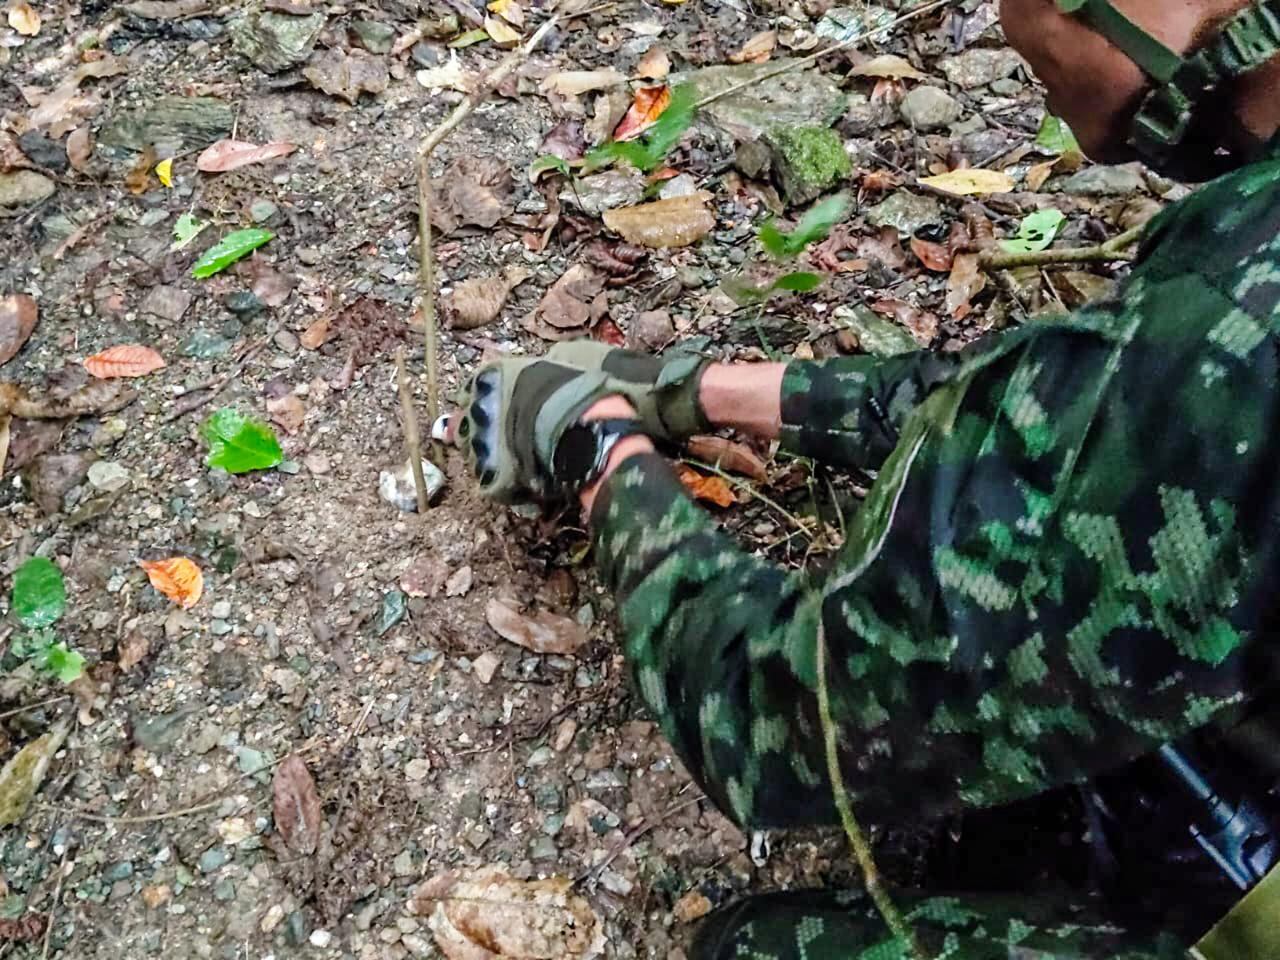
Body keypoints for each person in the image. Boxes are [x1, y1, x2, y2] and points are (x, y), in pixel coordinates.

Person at [444, 0, 1280, 956]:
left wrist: (594, 450)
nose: (1007, 24)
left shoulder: (1238, 327)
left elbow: (781, 717)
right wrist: (687, 394)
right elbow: (1077, 410)